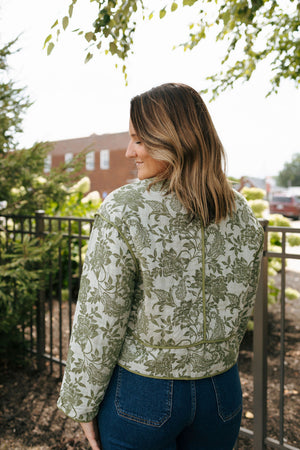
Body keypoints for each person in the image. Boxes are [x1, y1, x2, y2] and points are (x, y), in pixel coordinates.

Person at [57, 83, 264, 449]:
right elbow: (240, 309)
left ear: (170, 138)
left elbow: (100, 316)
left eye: (138, 140)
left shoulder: (125, 208)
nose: (128, 151)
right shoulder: (241, 212)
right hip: (222, 395)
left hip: (143, 396)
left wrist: (82, 402)